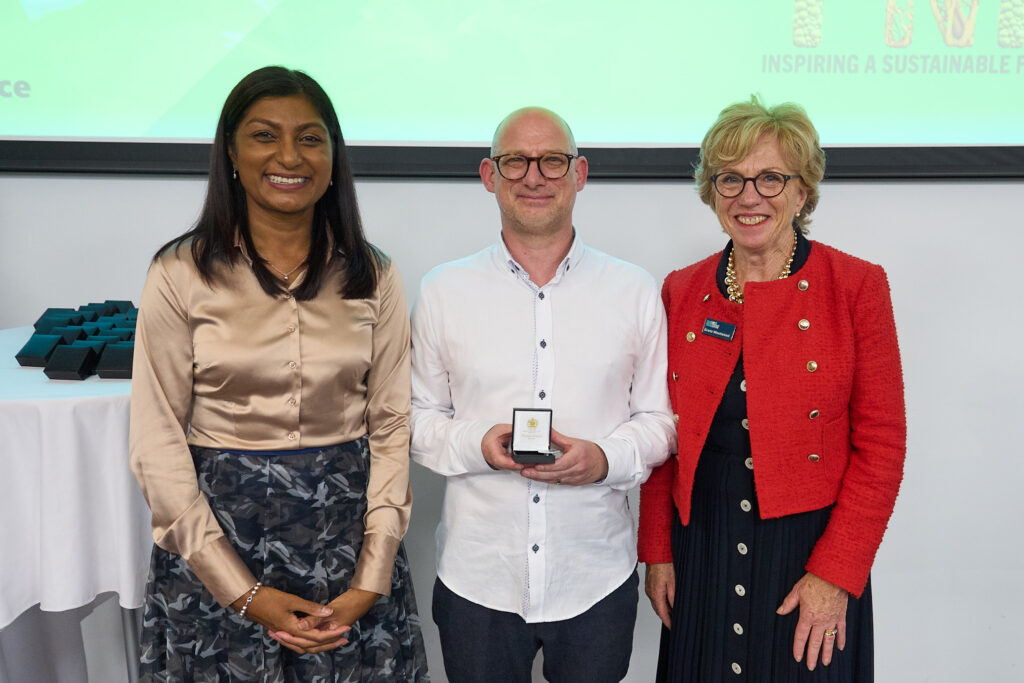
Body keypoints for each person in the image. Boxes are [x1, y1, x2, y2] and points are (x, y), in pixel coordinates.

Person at [129, 66, 428, 682]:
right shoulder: (180, 273)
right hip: (218, 544)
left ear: (333, 155)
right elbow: (156, 440)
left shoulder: (374, 274)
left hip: (347, 546)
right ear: (232, 153)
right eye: (265, 135)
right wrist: (242, 592)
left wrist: (371, 577)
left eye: (311, 138)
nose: (289, 156)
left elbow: (393, 425)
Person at [638, 95, 906, 681]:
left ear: (802, 190)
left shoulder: (856, 285)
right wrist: (657, 552)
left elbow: (882, 447)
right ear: (711, 192)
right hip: (701, 547)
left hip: (807, 552)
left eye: (770, 178)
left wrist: (836, 573)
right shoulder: (681, 291)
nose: (748, 196)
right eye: (729, 179)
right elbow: (662, 435)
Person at [409, 107, 677, 683]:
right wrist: (480, 445)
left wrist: (604, 459)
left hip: (595, 579)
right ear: (489, 175)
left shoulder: (633, 291)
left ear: (579, 173)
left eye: (552, 160)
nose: (535, 176)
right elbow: (416, 420)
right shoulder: (442, 291)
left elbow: (659, 420)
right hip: (478, 577)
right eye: (516, 162)